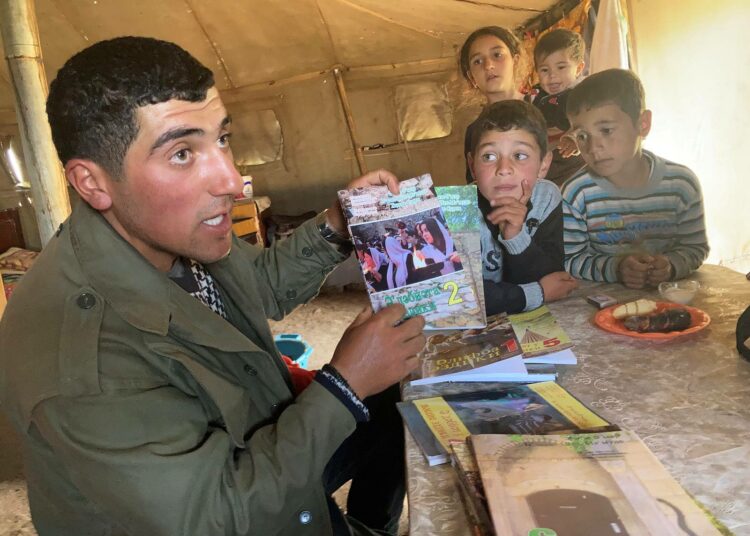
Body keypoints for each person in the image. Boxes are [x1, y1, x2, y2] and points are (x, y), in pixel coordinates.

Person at [0, 37, 427, 536]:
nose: (230, 179)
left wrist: (336, 223)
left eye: (221, 138)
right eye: (182, 153)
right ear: (93, 183)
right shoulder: (81, 359)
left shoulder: (173, 236)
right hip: (228, 506)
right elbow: (216, 517)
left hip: (262, 451)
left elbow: (259, 285)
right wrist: (343, 386)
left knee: (394, 402)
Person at [562, 69, 709, 288]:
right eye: (582, 136)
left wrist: (670, 265)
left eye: (606, 130)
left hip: (671, 304)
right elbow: (571, 260)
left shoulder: (681, 185)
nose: (593, 147)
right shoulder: (575, 193)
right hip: (599, 310)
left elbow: (695, 247)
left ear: (643, 124)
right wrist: (617, 268)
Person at [466, 99, 578, 315]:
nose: (504, 169)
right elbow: (460, 298)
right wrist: (536, 293)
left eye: (519, 156)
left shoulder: (547, 197)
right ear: (472, 166)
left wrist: (515, 236)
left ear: (543, 165)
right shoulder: (459, 211)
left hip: (533, 318)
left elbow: (555, 279)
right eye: (489, 156)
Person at [459, 26, 524, 183]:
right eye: (478, 61)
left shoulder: (546, 108)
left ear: (515, 62)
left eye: (497, 55)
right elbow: (475, 190)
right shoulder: (474, 131)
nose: (488, 65)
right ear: (472, 77)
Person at [526, 28, 587, 186]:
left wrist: (574, 139)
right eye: (545, 70)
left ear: (579, 68)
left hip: (569, 162)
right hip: (542, 163)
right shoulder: (535, 94)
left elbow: (587, 121)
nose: (552, 76)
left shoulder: (582, 94)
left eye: (561, 67)